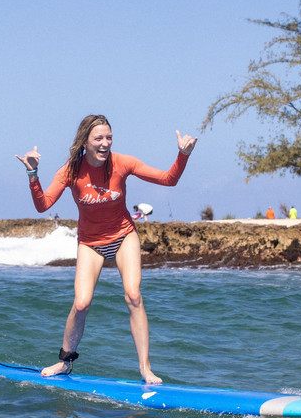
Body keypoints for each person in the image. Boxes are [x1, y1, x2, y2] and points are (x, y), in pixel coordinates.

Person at [16, 115, 197, 384]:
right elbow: (43, 205)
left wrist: (182, 155)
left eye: (108, 137)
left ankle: (146, 368)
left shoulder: (122, 163)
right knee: (81, 303)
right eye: (98, 138)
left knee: (134, 295)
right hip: (90, 242)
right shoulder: (70, 171)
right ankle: (65, 361)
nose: (105, 143)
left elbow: (168, 179)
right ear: (84, 142)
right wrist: (33, 174)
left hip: (123, 235)